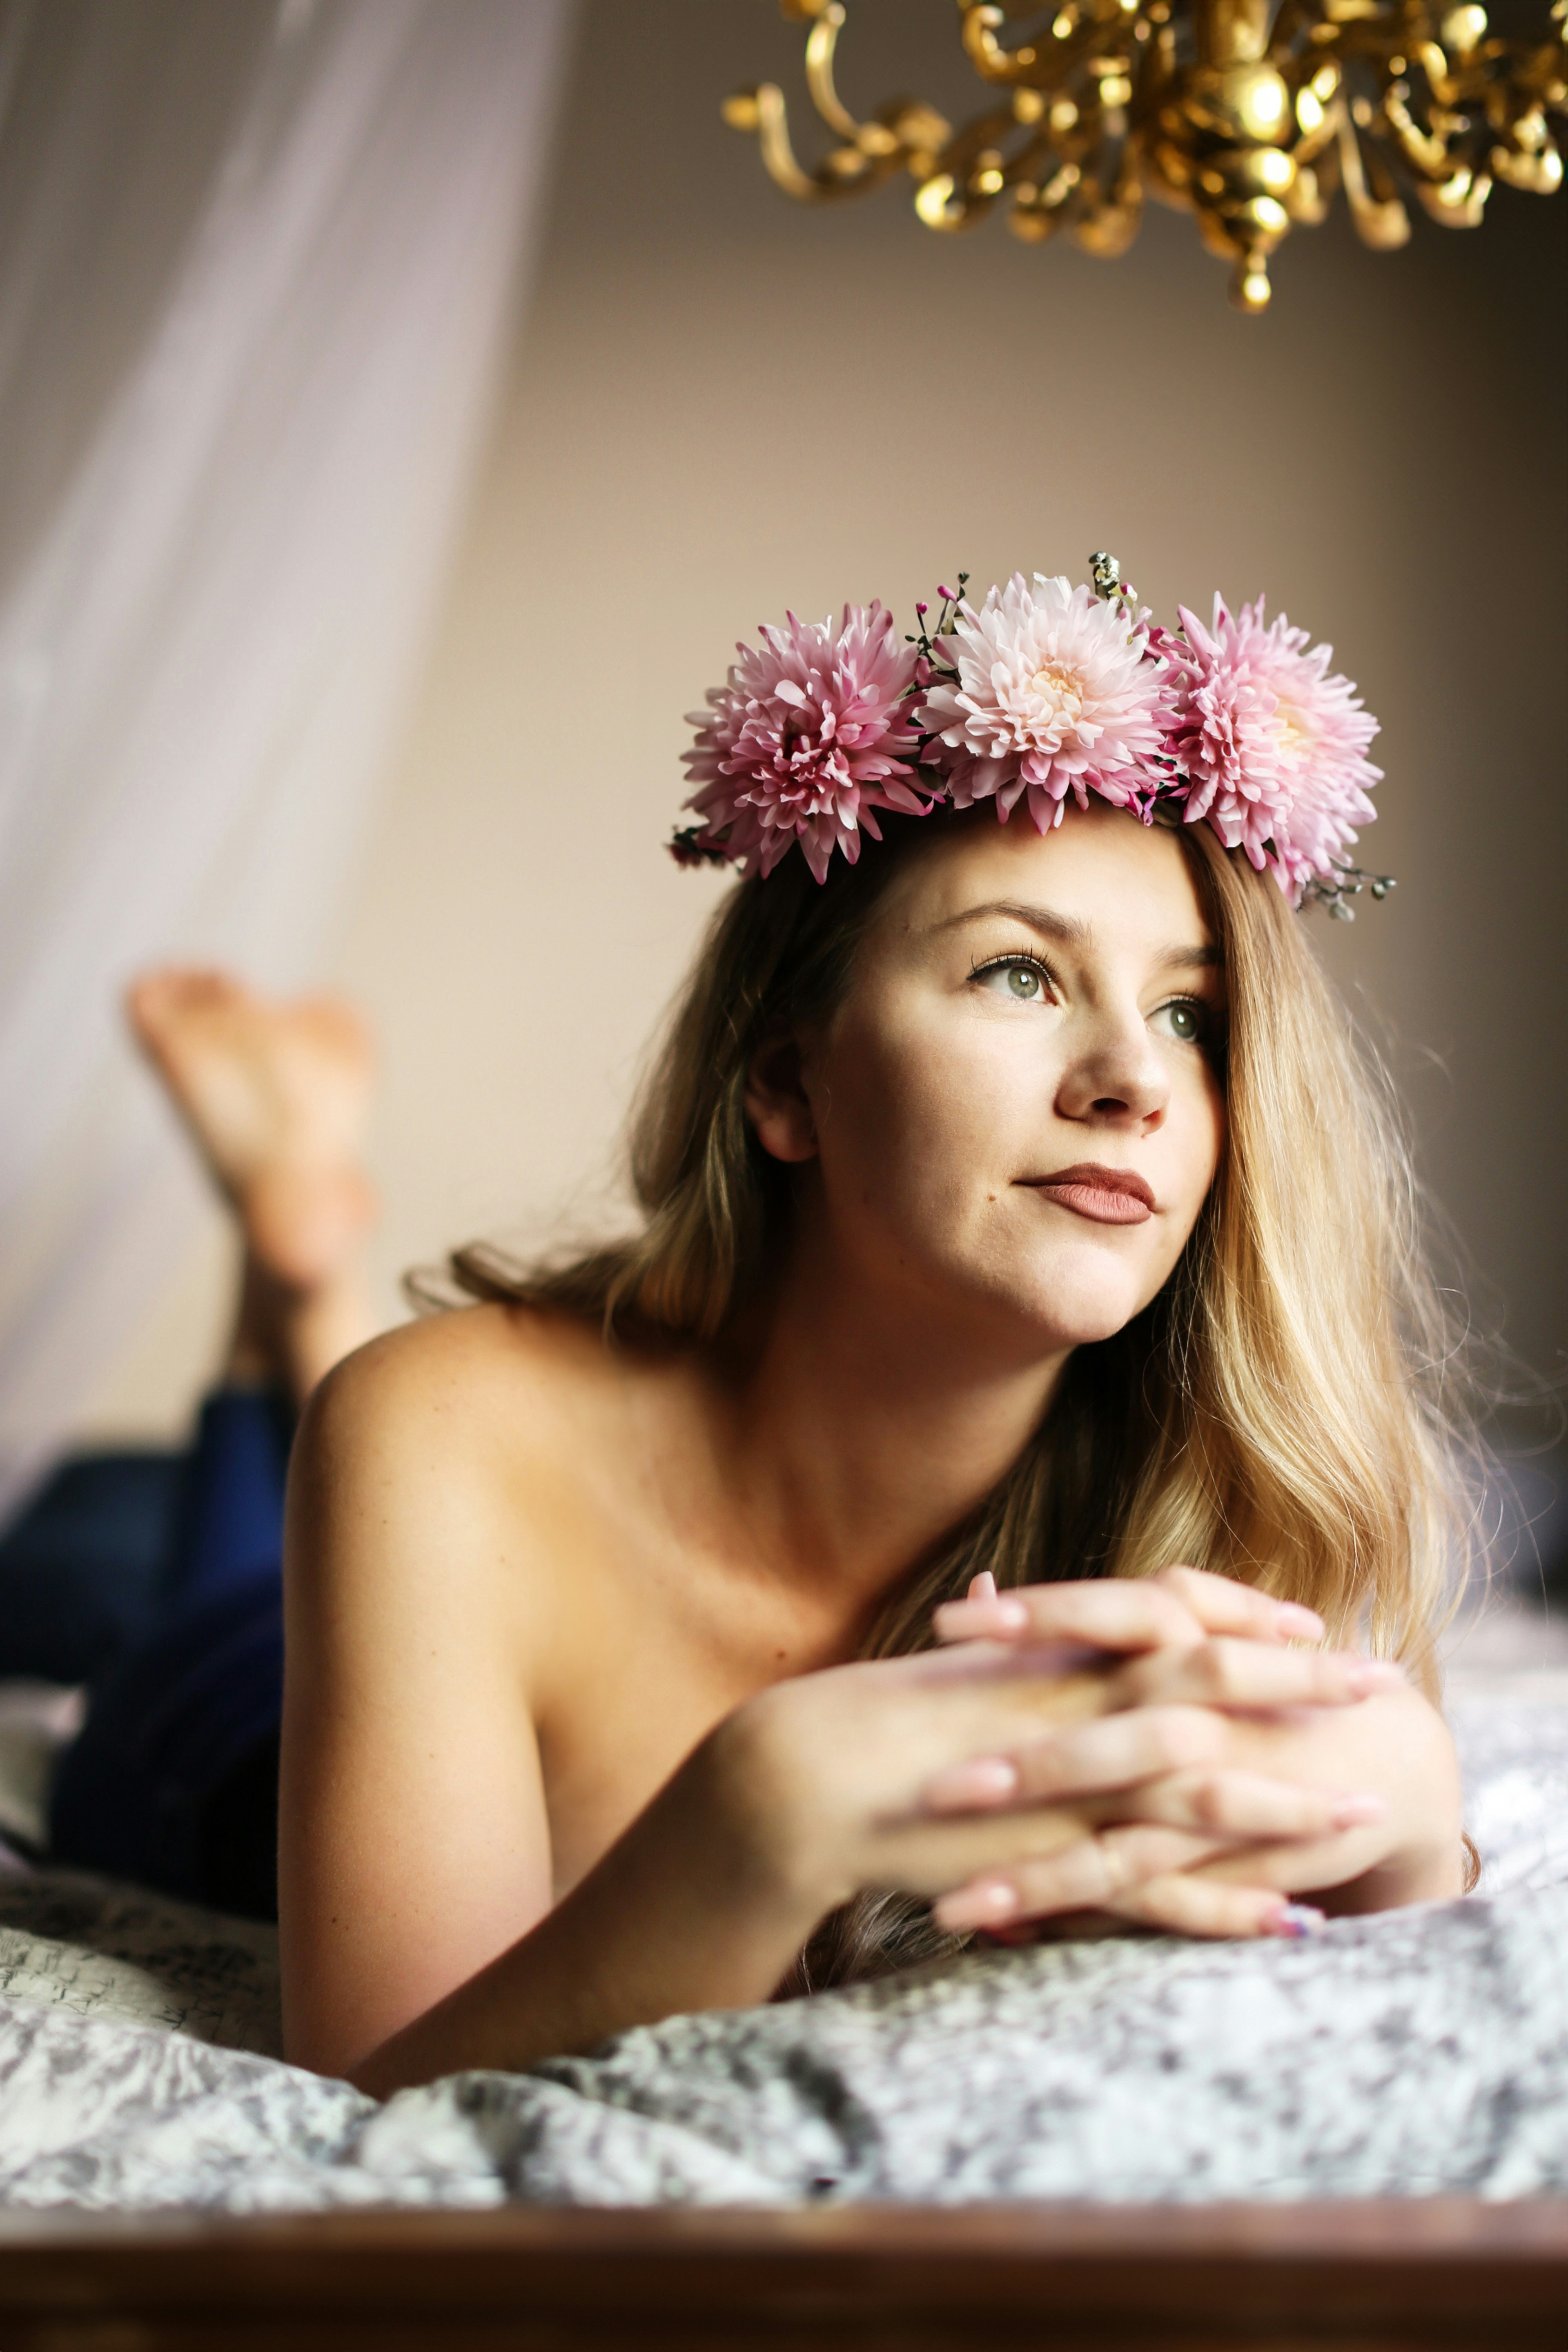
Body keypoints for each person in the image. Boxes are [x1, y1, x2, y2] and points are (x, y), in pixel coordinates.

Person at [23, 561, 1473, 2099]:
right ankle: (296, 1272)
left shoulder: (1234, 1499)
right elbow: (379, 2090)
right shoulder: (438, 1427)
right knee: (194, 1573)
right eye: (1019, 973)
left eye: (1196, 1016)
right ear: (785, 1084)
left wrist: (1407, 1833)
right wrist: (759, 1815)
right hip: (215, 1721)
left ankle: (288, 1255)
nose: (1135, 1080)